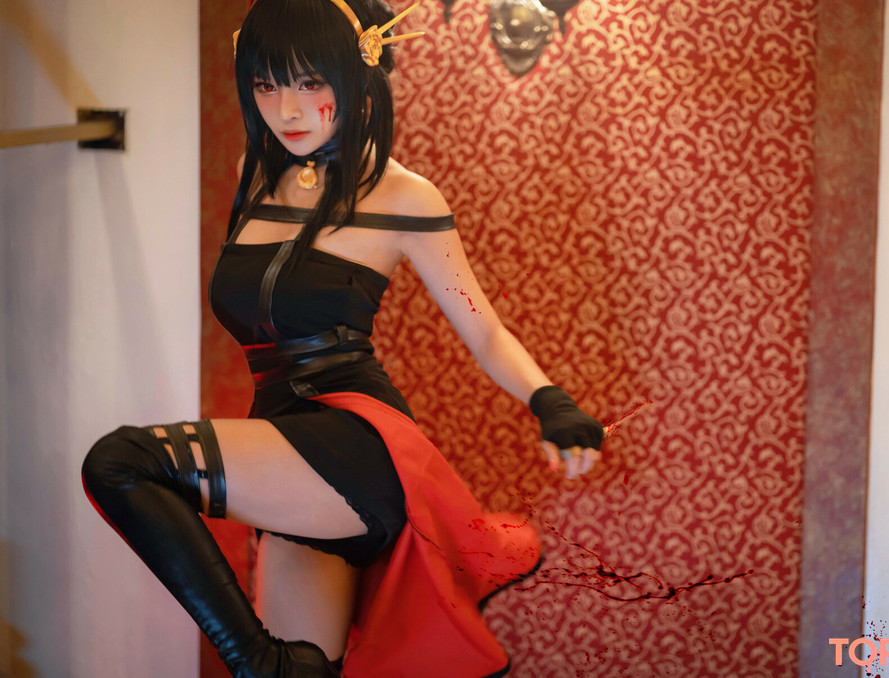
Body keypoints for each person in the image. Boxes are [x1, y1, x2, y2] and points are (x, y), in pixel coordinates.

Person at [79, 1, 605, 676]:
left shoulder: (406, 197)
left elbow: (484, 328)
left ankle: (254, 661)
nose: (286, 110)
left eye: (309, 82)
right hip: (283, 442)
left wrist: (549, 400)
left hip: (355, 446)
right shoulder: (254, 172)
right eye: (266, 84)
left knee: (121, 461)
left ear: (356, 74)